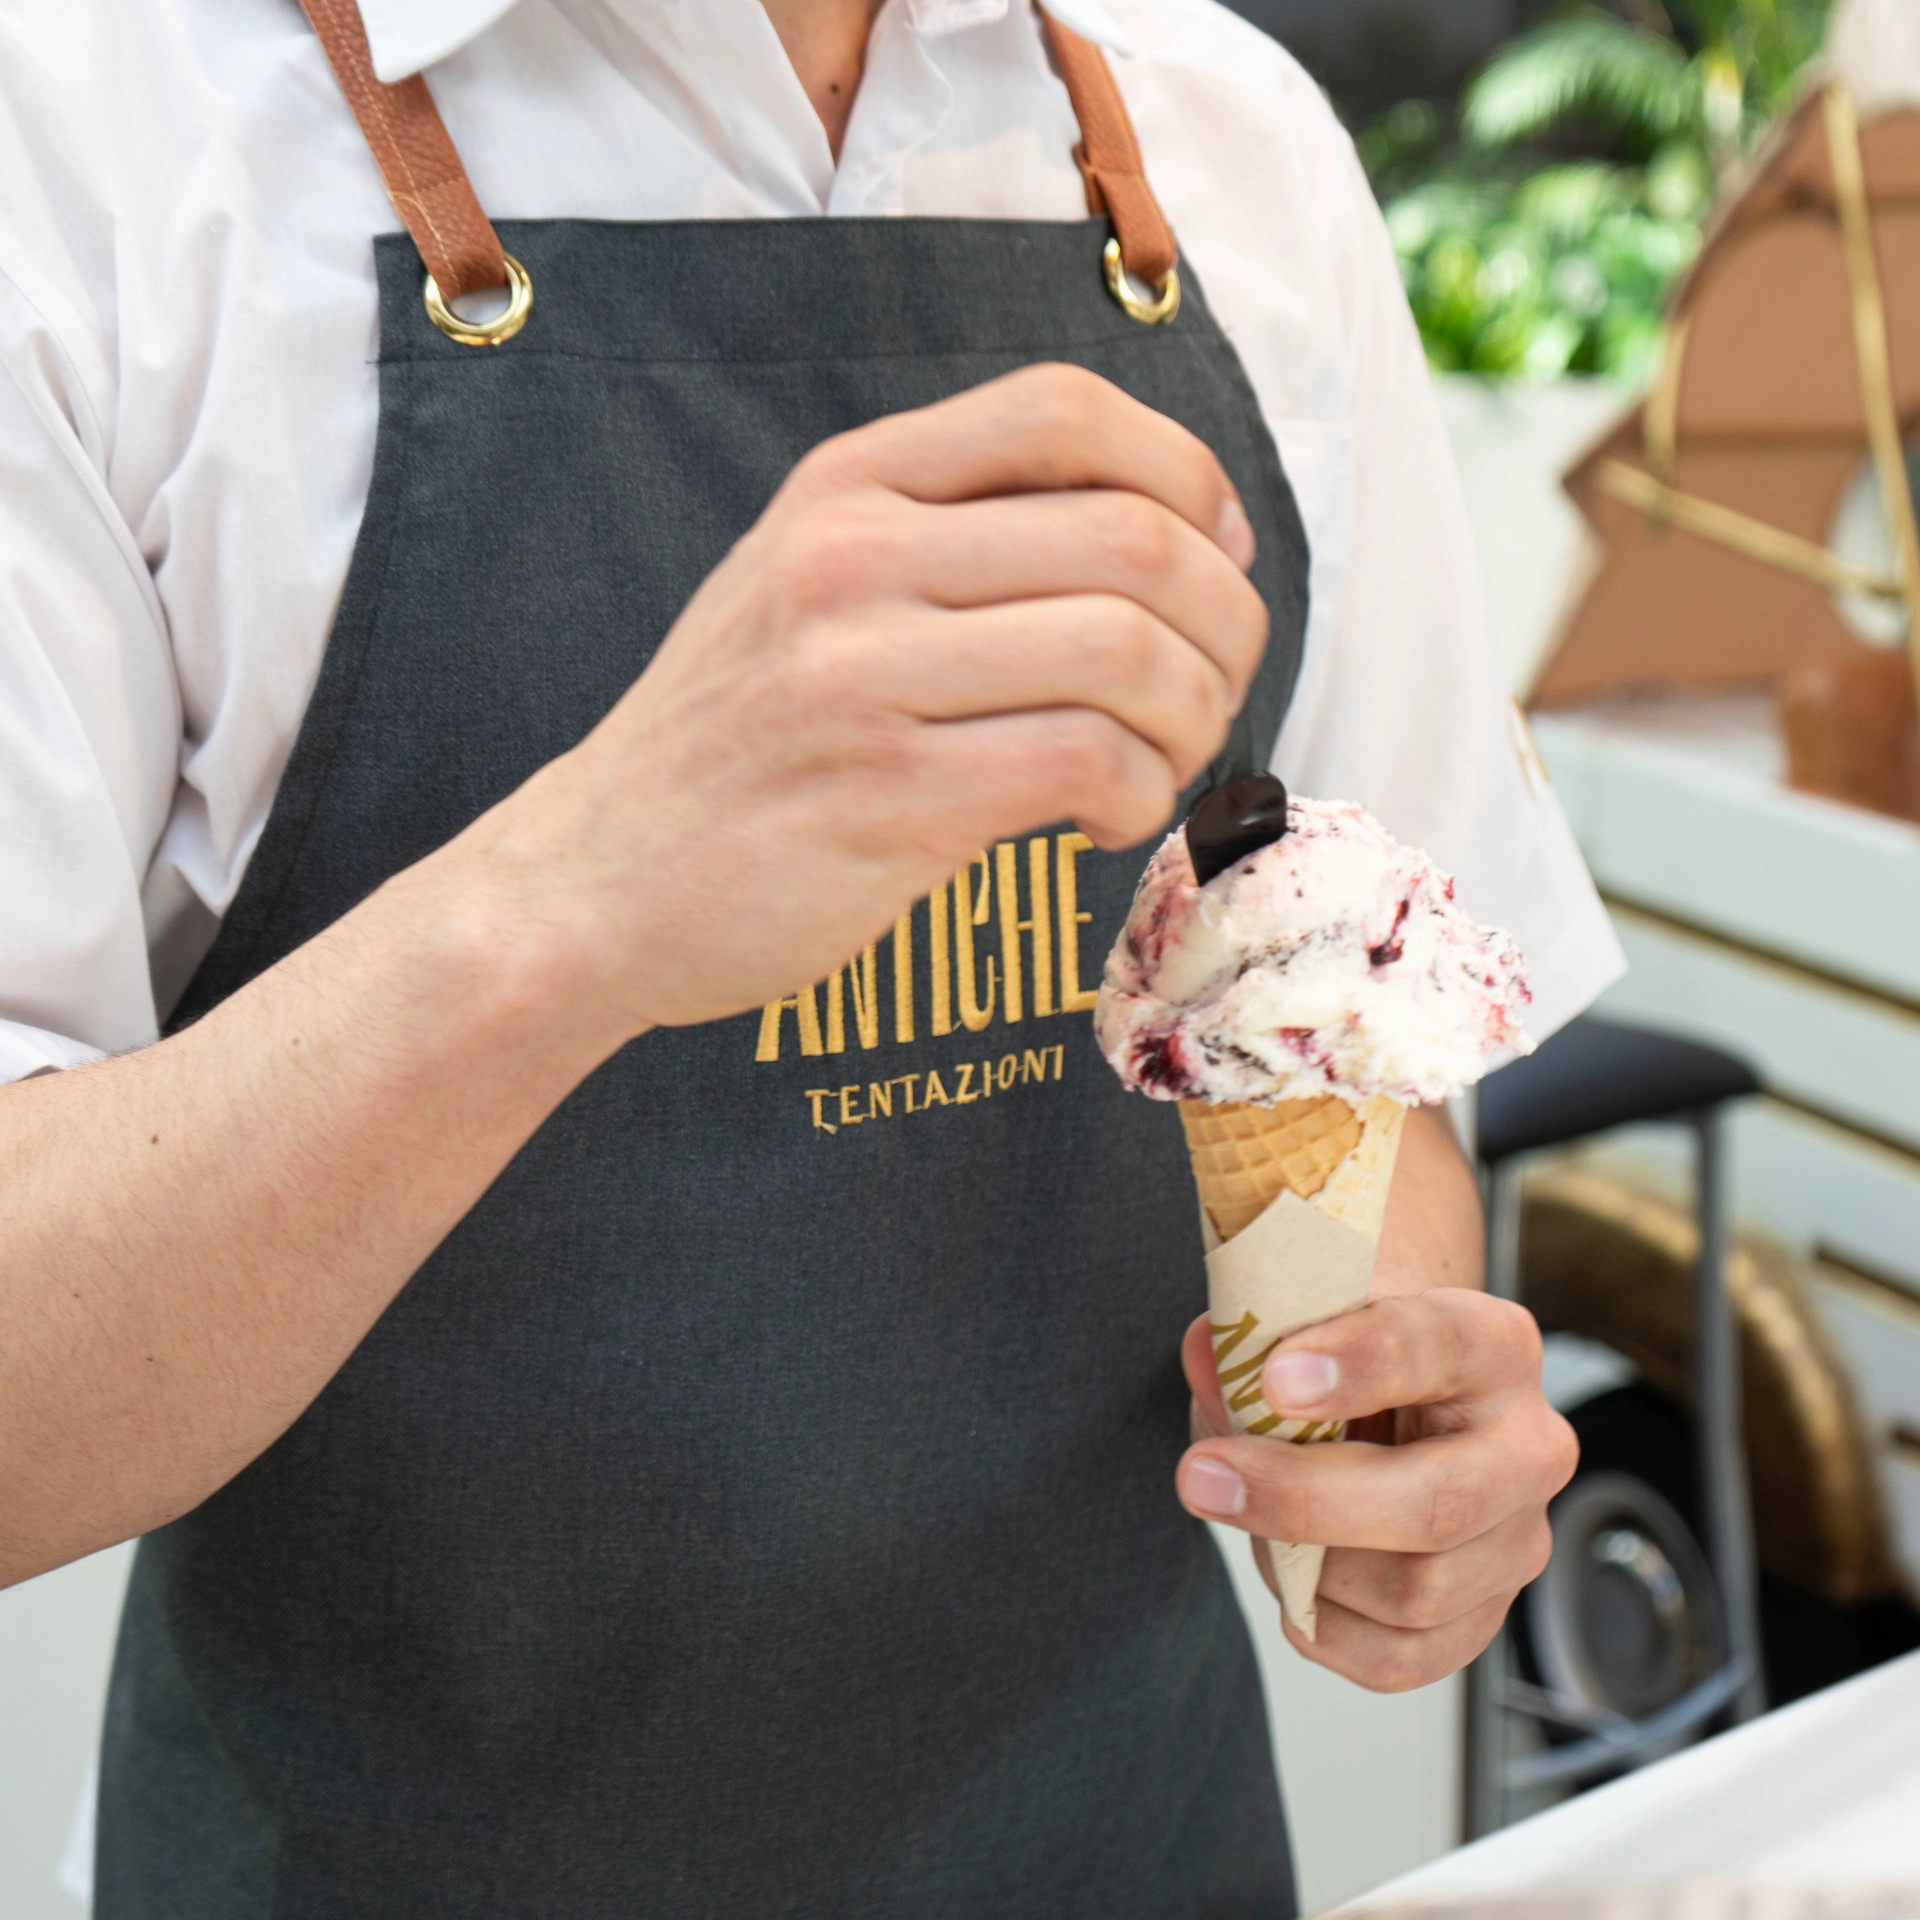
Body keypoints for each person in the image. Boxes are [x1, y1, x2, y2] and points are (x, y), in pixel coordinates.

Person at [0, 0, 1614, 1911]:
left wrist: (1390, 1393)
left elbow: (1371, 1039)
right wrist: (576, 897)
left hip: (1127, 1842)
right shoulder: (91, 136)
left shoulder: (1232, 135)